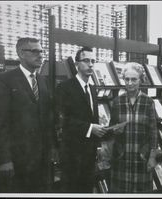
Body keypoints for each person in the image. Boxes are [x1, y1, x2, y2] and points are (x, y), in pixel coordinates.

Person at [0, 37, 55, 192]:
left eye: (41, 51)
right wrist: (4, 159)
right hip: (17, 160)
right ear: (21, 53)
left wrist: (52, 149)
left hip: (41, 160)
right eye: (35, 51)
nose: (40, 55)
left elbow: (47, 118)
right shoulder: (4, 80)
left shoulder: (43, 80)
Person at [55, 46, 107, 193]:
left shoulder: (92, 88)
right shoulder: (64, 87)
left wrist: (97, 146)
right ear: (77, 64)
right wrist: (90, 128)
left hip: (89, 152)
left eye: (93, 61)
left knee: (86, 189)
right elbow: (62, 120)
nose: (90, 64)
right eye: (86, 61)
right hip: (72, 151)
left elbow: (94, 118)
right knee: (72, 189)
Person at [109, 63, 161, 193]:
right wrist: (115, 130)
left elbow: (153, 131)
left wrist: (152, 157)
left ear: (141, 80)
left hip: (141, 157)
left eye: (134, 79)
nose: (130, 83)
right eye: (127, 79)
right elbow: (111, 129)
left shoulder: (148, 102)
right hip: (122, 157)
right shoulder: (117, 102)